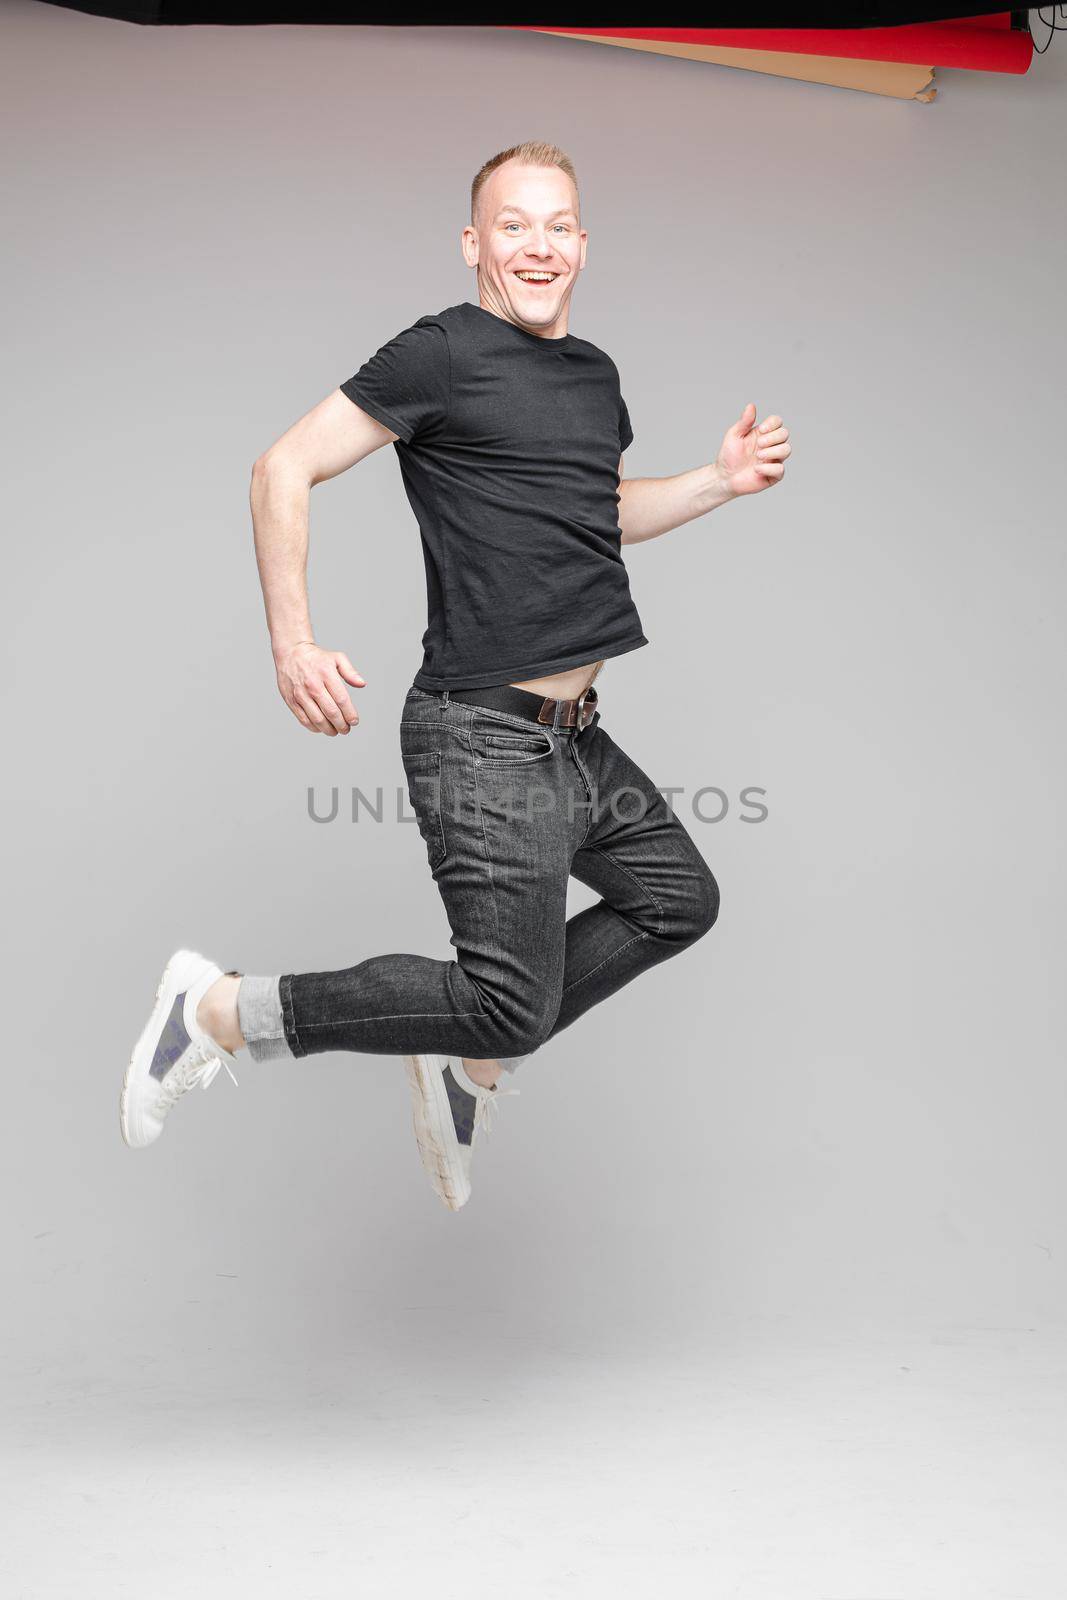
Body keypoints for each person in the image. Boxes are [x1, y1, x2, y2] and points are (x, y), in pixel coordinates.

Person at [120, 140, 790, 1210]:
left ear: (581, 243)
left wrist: (716, 480)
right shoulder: (440, 352)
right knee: (507, 1003)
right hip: (478, 731)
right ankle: (216, 1008)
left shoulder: (592, 374)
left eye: (557, 224)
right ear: (474, 243)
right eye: (512, 225)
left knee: (676, 900)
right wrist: (292, 641)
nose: (537, 245)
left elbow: (598, 514)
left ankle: (463, 1065)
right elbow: (281, 465)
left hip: (572, 736)